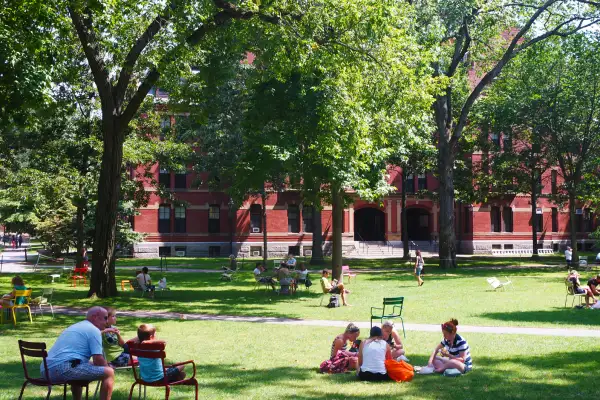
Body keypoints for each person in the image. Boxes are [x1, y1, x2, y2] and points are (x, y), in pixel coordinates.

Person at [41, 307, 115, 400]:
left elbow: (90, 362)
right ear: (95, 317)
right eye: (105, 318)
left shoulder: (77, 326)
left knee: (81, 365)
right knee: (109, 372)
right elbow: (98, 360)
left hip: (46, 369)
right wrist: (108, 367)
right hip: (63, 368)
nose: (107, 321)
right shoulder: (94, 330)